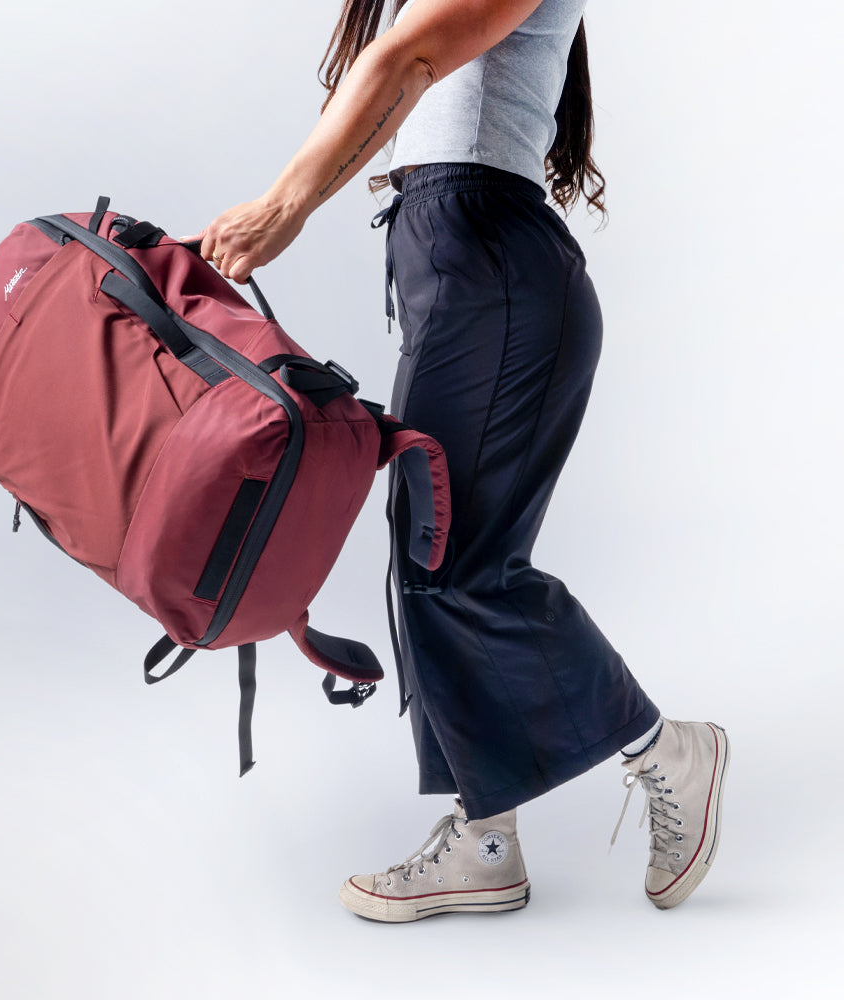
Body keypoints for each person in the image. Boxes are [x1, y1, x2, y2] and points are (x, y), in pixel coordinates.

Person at [198, 0, 730, 921]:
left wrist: (284, 204)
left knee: (456, 567)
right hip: (456, 260)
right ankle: (487, 840)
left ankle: (665, 749)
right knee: (428, 561)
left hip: (491, 266)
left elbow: (408, 58)